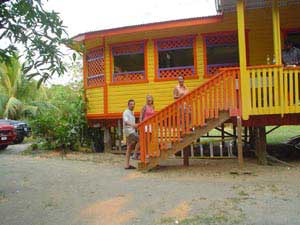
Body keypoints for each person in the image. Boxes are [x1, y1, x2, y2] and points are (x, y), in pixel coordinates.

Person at [123, 99, 139, 169]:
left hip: (131, 131)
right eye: (131, 104)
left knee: (129, 147)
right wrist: (133, 125)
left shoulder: (132, 112)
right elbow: (126, 121)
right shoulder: (126, 112)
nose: (132, 105)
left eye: (133, 104)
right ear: (128, 105)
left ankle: (127, 165)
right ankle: (135, 155)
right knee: (141, 139)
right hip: (129, 131)